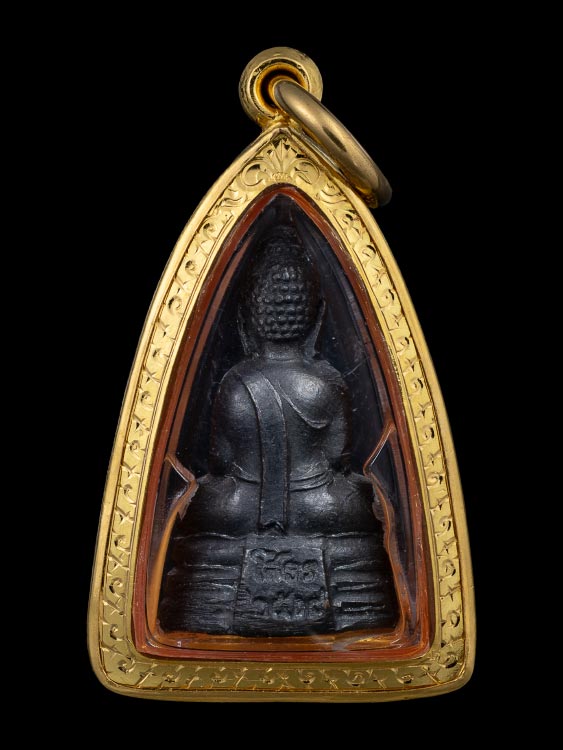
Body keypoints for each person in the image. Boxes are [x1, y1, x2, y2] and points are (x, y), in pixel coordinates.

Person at [158, 225, 397, 636]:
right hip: (318, 506)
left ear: (246, 320)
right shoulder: (327, 382)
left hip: (241, 508)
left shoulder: (234, 383)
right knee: (360, 495)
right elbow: (338, 460)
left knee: (203, 496)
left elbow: (221, 461)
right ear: (316, 319)